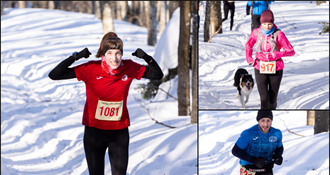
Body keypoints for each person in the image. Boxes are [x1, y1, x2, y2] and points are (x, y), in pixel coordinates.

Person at [48, 32, 164, 175]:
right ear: (103, 54)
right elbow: (54, 75)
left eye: (118, 53)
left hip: (119, 133)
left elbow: (157, 75)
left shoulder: (130, 67)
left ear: (122, 54)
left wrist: (146, 57)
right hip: (94, 132)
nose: (114, 58)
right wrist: (75, 57)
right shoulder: (90, 68)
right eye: (110, 53)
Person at [245, 9, 295, 109]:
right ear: (261, 22)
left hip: (276, 68)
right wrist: (249, 58)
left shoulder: (279, 34)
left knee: (272, 101)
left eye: (269, 24)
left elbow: (291, 51)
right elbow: (248, 45)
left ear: (273, 22)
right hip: (260, 67)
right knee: (264, 99)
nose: (267, 27)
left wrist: (277, 54)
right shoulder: (256, 33)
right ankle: (264, 115)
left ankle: (272, 112)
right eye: (264, 24)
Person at [232, 110, 284, 175]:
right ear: (258, 120)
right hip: (249, 169)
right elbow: (235, 151)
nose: (266, 124)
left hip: (267, 169)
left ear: (271, 121)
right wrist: (253, 160)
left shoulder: (277, 133)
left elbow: (279, 147)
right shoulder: (249, 133)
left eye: (268, 120)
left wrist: (278, 156)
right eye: (263, 120)